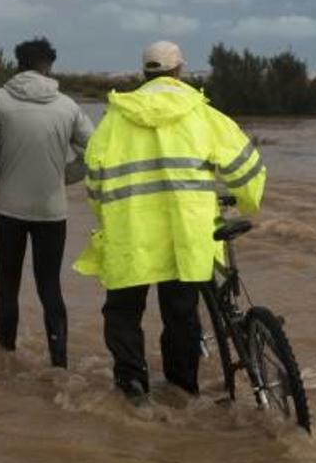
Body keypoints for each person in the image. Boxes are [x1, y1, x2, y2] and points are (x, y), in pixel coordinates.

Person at [74, 40, 266, 401]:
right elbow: (247, 166)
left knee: (123, 313)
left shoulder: (114, 118)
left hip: (130, 233)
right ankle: (182, 390)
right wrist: (246, 201)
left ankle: (132, 387)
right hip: (187, 234)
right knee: (181, 314)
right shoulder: (202, 113)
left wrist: (106, 218)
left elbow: (94, 183)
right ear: (180, 71)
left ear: (144, 73)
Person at [0, 37, 93, 368]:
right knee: (50, 288)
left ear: (18, 63)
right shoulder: (67, 106)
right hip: (52, 212)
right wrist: (65, 176)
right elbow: (97, 152)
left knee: (7, 286)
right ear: (49, 66)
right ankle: (59, 365)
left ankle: (5, 358)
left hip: (8, 210)